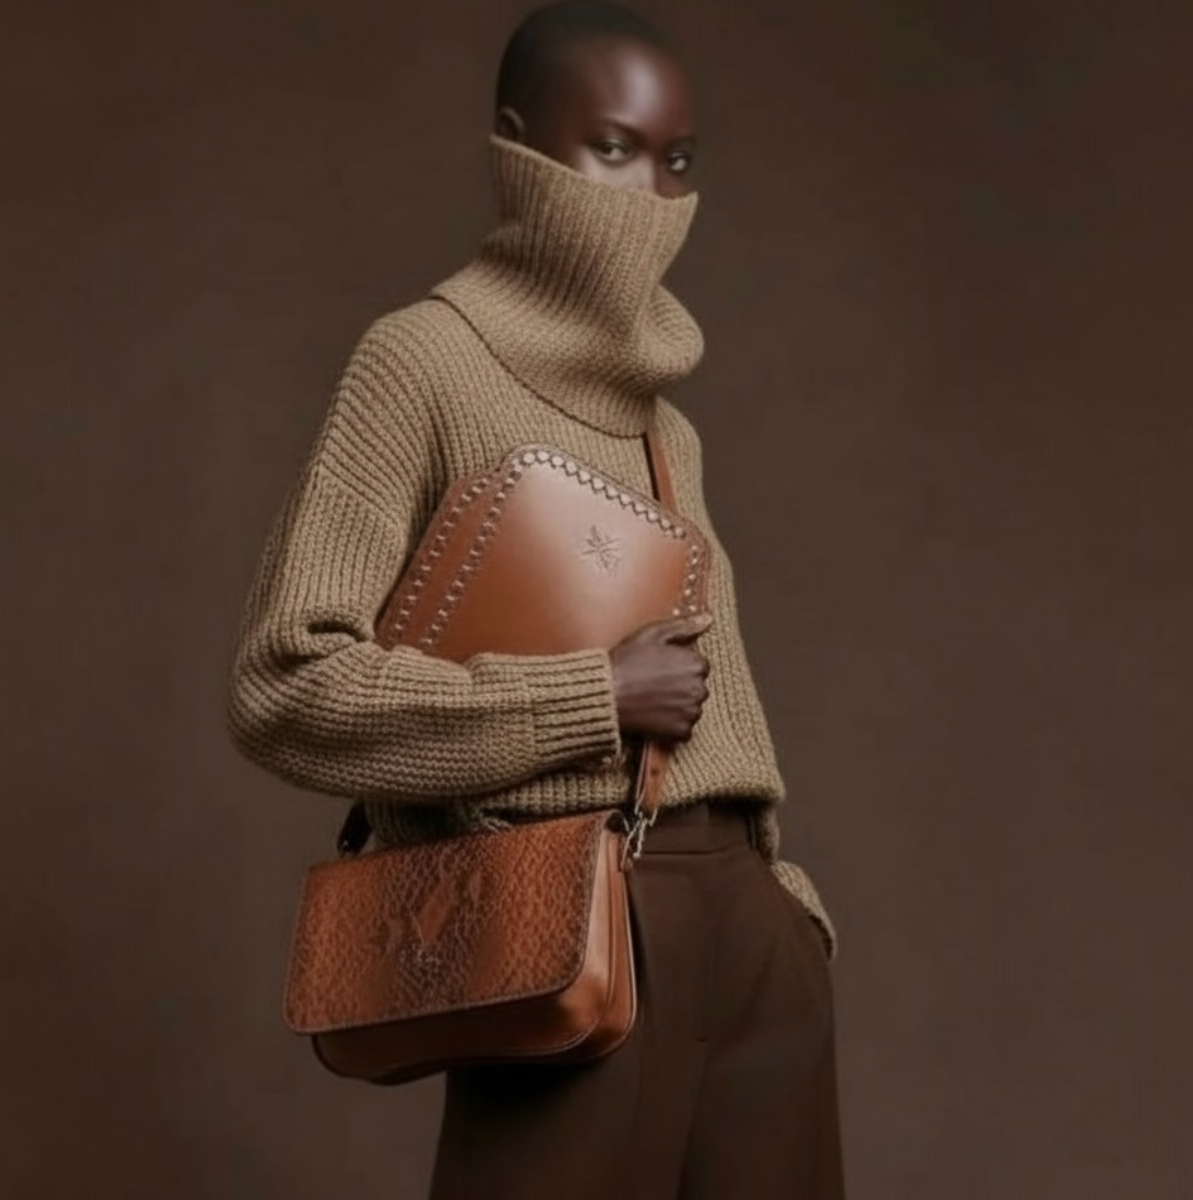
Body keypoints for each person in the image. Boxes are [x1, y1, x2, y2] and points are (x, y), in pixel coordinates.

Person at [226, 4, 843, 1195]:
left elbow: (718, 712)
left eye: (675, 162)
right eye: (610, 148)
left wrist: (782, 909)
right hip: (575, 930)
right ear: (516, 145)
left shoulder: (669, 429)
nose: (648, 195)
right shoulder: (420, 362)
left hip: (753, 947)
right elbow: (283, 685)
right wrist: (591, 697)